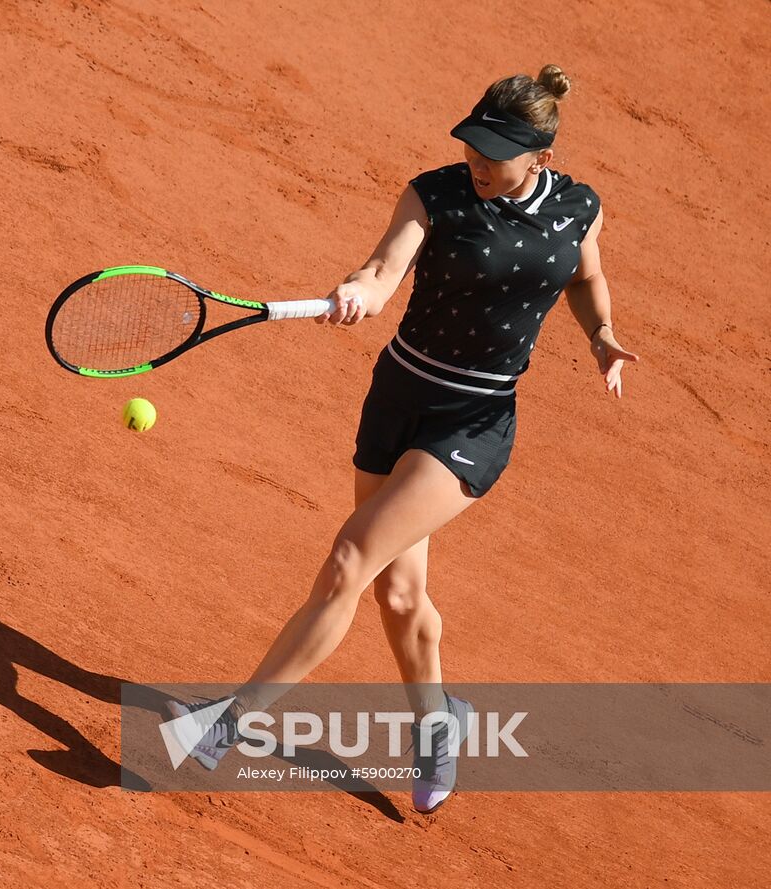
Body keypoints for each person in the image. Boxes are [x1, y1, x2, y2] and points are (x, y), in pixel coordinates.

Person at [166, 65, 638, 814]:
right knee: (398, 589)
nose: (477, 162)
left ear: (540, 158)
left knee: (349, 558)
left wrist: (603, 335)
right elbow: (386, 268)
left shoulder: (579, 207)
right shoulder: (437, 192)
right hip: (399, 399)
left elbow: (583, 277)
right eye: (473, 145)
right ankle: (440, 723)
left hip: (473, 422)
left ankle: (233, 720)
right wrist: (360, 288)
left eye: (495, 154)